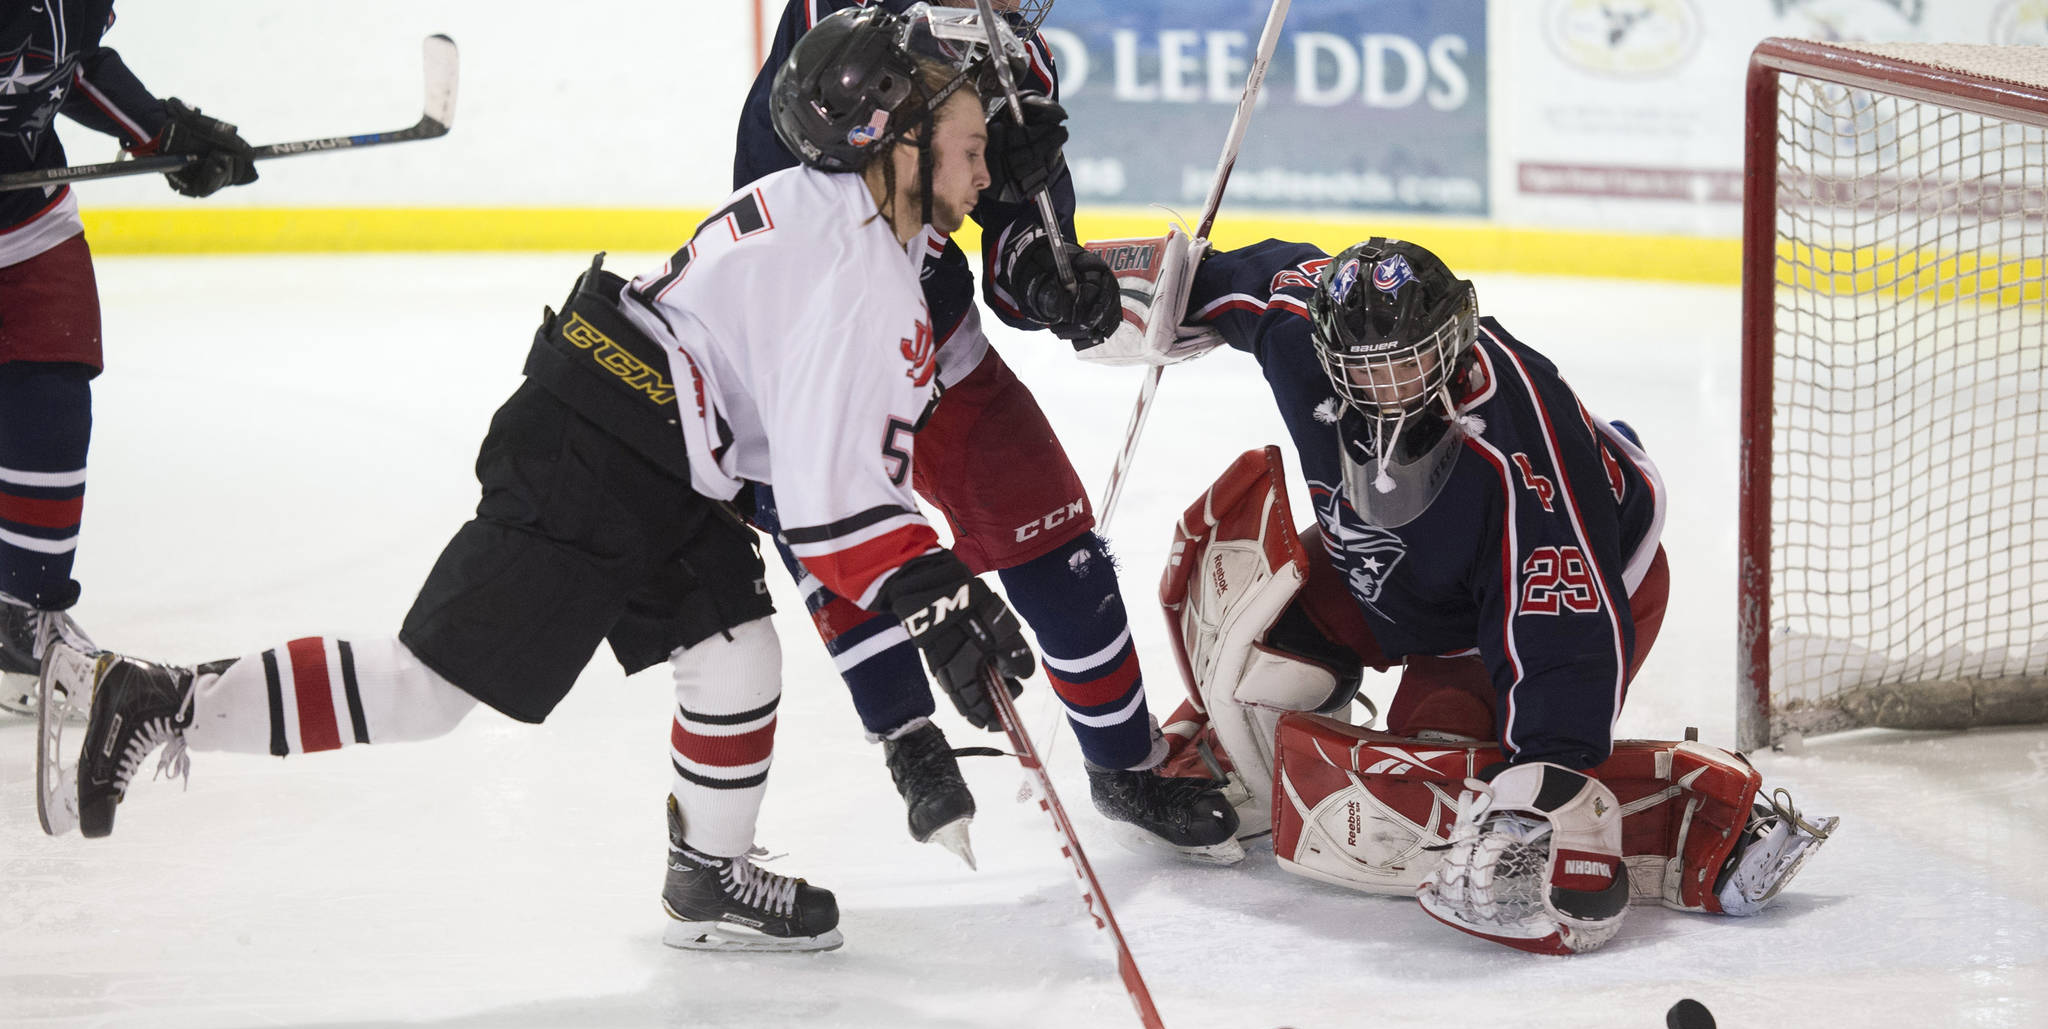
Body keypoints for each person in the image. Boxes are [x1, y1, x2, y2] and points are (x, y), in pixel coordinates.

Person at [35, 6, 1037, 955]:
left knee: (733, 653)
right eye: (967, 143)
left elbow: (817, 467)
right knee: (424, 691)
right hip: (601, 455)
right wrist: (928, 586)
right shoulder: (861, 272)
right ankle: (161, 700)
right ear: (892, 139)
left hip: (648, 443)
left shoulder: (828, 212)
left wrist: (921, 580)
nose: (984, 170)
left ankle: (708, 875)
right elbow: (827, 503)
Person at [1114, 234, 1836, 953]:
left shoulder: (1521, 434)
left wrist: (1549, 774)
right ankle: (1227, 751)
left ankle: (1697, 819)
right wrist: (1115, 287)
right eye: (1363, 372)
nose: (1386, 388)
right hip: (1390, 561)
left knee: (1443, 784)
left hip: (1559, 588)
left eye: (1408, 364)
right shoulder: (1304, 338)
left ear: (1454, 339)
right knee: (1261, 656)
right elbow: (1240, 280)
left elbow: (1560, 627)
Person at [735, 0, 1241, 866]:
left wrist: (1051, 279)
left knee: (1058, 542)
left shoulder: (1018, 64)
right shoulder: (839, 22)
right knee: (845, 545)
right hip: (801, 343)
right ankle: (910, 740)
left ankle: (1125, 765)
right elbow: (798, 187)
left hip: (934, 337)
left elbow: (1012, 266)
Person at [0, 0, 256, 713]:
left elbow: (67, 65)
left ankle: (24, 622)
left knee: (53, 387)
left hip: (24, 220)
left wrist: (162, 132)